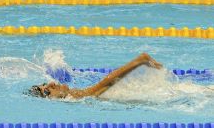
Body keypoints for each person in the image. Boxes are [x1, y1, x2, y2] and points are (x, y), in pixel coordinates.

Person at [29, 53, 162, 99]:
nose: (51, 83)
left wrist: (139, 61)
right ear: (51, 100)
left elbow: (107, 82)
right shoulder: (74, 97)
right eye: (46, 90)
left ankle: (140, 60)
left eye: (45, 83)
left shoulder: (77, 96)